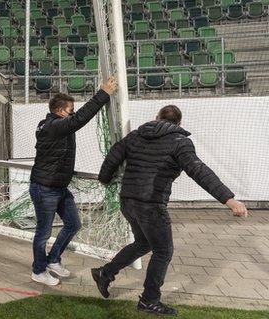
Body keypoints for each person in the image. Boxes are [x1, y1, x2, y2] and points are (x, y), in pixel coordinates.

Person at [91, 105, 248, 316]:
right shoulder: (180, 142)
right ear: (179, 124)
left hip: (128, 201)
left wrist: (104, 178)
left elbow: (114, 154)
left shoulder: (136, 135)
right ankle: (149, 300)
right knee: (163, 251)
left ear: (156, 118)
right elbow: (198, 170)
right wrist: (229, 199)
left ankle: (105, 273)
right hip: (151, 205)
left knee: (143, 243)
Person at [29, 76, 118, 286]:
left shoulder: (57, 124)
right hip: (44, 188)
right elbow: (79, 119)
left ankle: (53, 260)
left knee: (73, 224)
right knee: (43, 233)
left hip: (59, 187)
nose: (73, 112)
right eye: (70, 109)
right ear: (60, 111)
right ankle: (38, 270)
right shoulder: (53, 126)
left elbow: (77, 118)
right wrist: (103, 93)